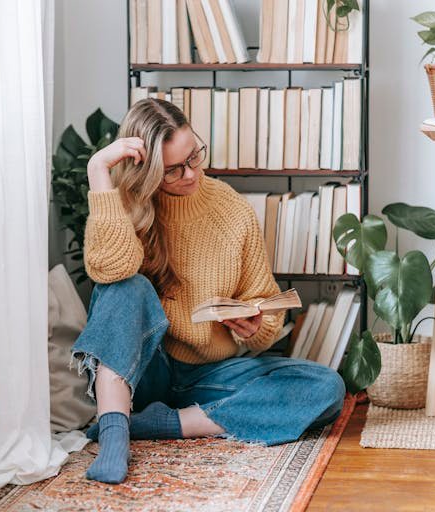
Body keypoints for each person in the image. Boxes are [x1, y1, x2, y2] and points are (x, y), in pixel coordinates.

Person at [70, 98, 345, 484]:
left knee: (325, 387)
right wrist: (98, 170)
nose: (191, 173)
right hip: (145, 369)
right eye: (173, 170)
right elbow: (109, 269)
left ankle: (161, 423)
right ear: (146, 171)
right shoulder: (126, 204)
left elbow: (265, 309)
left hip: (210, 374)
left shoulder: (232, 210)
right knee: (124, 286)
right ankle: (115, 435)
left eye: (194, 155)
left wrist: (254, 324)